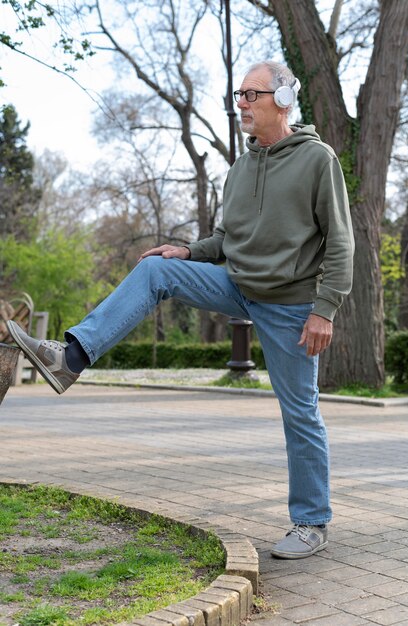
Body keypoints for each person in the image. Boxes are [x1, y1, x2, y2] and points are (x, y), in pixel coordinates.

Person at [7, 61, 354, 559]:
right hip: (238, 283)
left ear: (281, 99)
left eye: (251, 95)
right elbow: (226, 240)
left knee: (300, 412)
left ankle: (311, 523)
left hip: (291, 304)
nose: (241, 104)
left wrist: (325, 309)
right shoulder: (241, 166)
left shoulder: (317, 160)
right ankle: (71, 358)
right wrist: (189, 252)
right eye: (238, 95)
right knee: (156, 270)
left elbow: (341, 243)